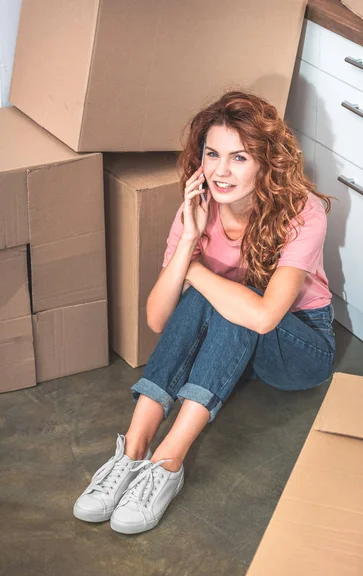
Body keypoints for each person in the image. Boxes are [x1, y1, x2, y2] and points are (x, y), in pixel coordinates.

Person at [73, 90, 336, 535]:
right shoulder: (197, 208)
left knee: (233, 295)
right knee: (208, 296)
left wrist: (193, 267)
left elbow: (264, 317)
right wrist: (189, 242)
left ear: (266, 162)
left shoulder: (303, 212)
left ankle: (168, 460)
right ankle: (132, 451)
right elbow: (158, 320)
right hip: (234, 345)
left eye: (239, 158)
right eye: (213, 154)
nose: (220, 170)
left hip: (298, 348)